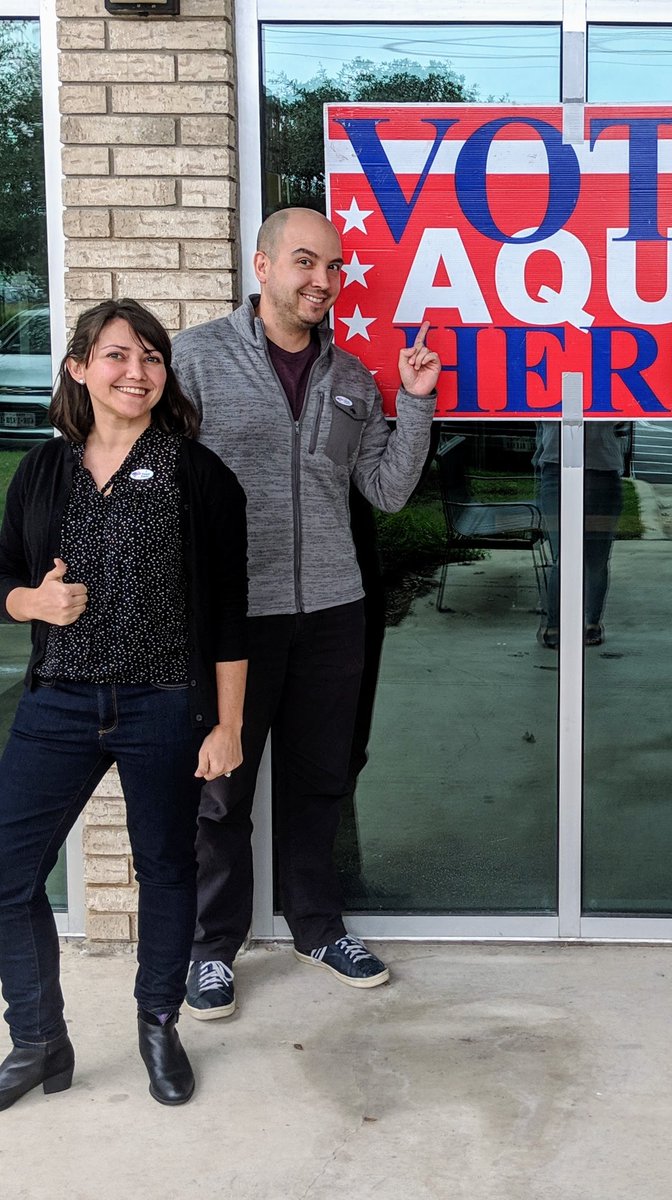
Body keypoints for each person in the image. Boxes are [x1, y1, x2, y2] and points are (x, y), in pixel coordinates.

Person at [172, 207, 438, 1019]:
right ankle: (211, 947)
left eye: (332, 266)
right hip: (232, 619)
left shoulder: (353, 380)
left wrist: (417, 401)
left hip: (331, 611)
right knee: (222, 788)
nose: (321, 279)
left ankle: (317, 927)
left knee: (322, 778)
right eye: (303, 262)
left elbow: (386, 492)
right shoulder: (195, 361)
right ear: (262, 267)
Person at [0, 299, 248, 1109]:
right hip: (60, 703)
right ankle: (38, 1041)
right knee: (8, 874)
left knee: (168, 868)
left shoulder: (196, 473)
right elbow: (3, 576)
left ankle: (156, 1023)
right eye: (116, 355)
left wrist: (228, 723)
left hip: (162, 703)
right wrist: (28, 604)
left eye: (150, 357)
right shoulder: (42, 470)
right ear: (79, 368)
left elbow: (229, 609)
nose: (136, 371)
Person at [534, 423, 625, 648]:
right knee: (563, 558)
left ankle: (591, 623)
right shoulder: (547, 387)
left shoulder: (607, 386)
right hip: (557, 468)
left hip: (602, 471)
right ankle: (555, 625)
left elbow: (621, 420)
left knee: (596, 559)